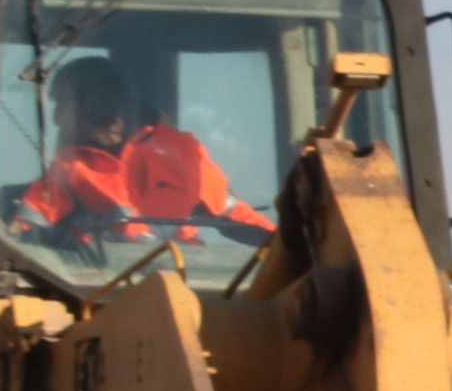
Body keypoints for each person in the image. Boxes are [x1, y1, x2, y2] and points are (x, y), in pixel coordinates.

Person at [14, 55, 273, 252]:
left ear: (92, 104)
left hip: (190, 287)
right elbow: (24, 227)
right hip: (104, 294)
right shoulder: (69, 167)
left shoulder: (184, 151)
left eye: (62, 104)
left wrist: (290, 247)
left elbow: (237, 216)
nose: (57, 119)